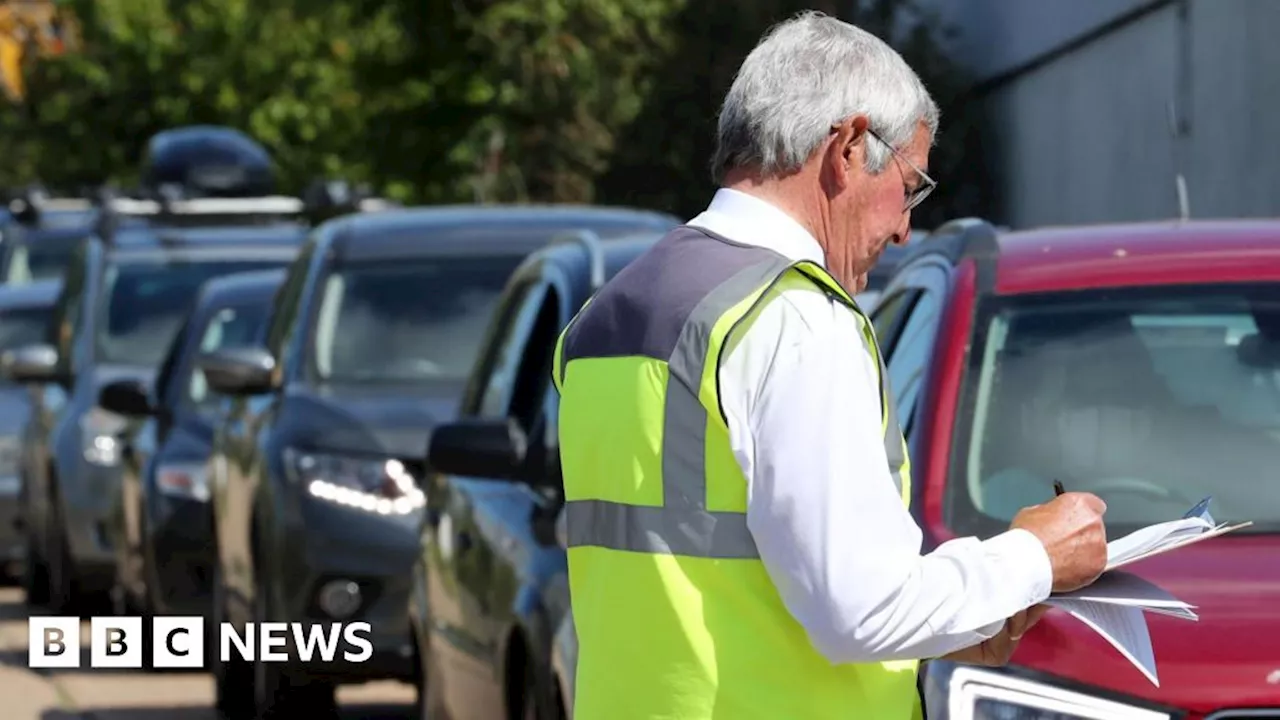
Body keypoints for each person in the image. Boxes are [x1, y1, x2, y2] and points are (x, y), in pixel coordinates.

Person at [551, 11, 1109, 720]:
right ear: (846, 147)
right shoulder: (794, 317)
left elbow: (736, 587)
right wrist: (1032, 558)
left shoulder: (606, 314)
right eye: (910, 185)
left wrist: (949, 622)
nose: (907, 226)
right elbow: (857, 608)